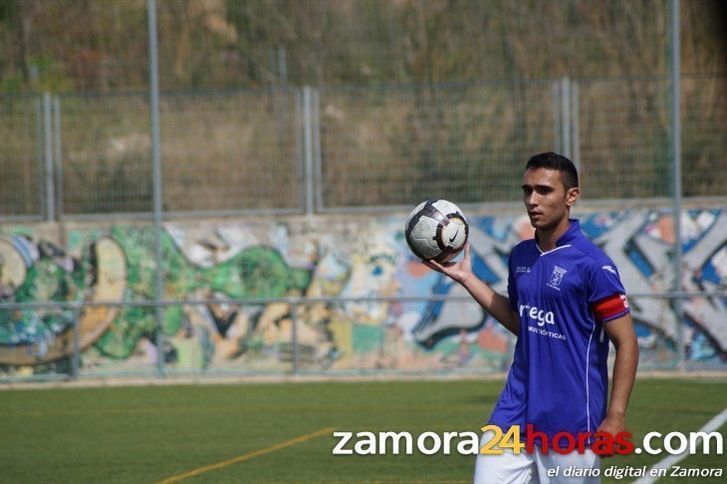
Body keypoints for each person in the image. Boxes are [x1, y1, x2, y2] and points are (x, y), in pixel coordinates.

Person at [424, 152, 639, 484]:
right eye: (527, 190)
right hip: (514, 411)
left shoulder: (593, 265)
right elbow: (519, 322)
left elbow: (626, 343)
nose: (532, 200)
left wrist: (615, 416)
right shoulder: (521, 255)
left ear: (571, 196)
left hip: (570, 417)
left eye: (544, 191)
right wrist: (468, 279)